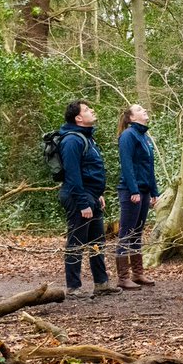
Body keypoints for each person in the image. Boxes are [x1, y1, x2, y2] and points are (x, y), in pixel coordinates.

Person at [59, 100, 121, 299]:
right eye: (86, 110)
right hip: (79, 197)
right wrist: (83, 202)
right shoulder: (71, 141)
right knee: (76, 242)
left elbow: (90, 170)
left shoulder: (87, 138)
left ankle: (101, 283)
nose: (92, 110)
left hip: (91, 196)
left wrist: (97, 195)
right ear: (78, 118)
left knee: (97, 241)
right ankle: (73, 287)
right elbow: (73, 175)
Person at [115, 103, 159, 289]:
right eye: (140, 109)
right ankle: (123, 277)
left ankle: (138, 273)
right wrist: (133, 190)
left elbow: (149, 167)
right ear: (131, 118)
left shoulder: (144, 137)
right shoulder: (128, 135)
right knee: (127, 232)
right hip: (130, 191)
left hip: (144, 190)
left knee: (137, 233)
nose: (144, 110)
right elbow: (127, 165)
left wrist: (154, 192)